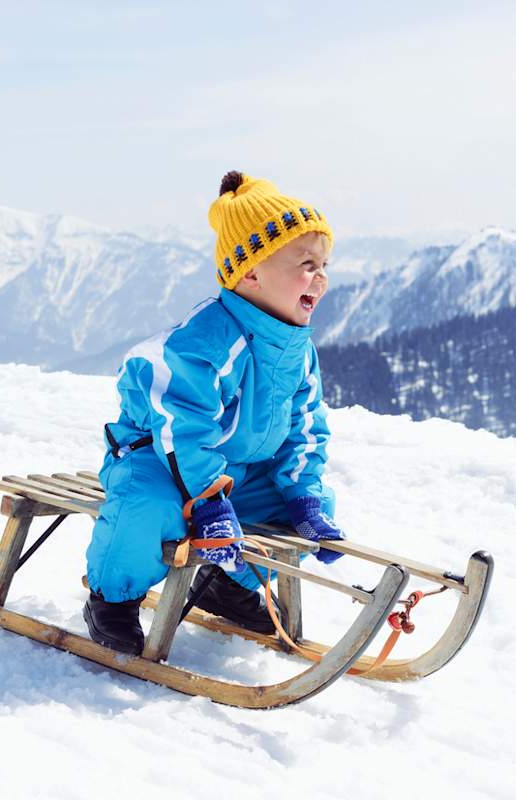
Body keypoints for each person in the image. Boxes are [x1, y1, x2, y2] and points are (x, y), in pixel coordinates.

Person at [83, 170, 345, 655]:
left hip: (236, 473)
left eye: (324, 263)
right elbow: (182, 430)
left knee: (303, 507)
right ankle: (113, 599)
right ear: (251, 272)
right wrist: (207, 502)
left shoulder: (296, 350)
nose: (322, 276)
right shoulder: (206, 341)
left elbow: (306, 430)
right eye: (306, 263)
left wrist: (304, 497)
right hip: (159, 461)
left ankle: (233, 585)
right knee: (147, 508)